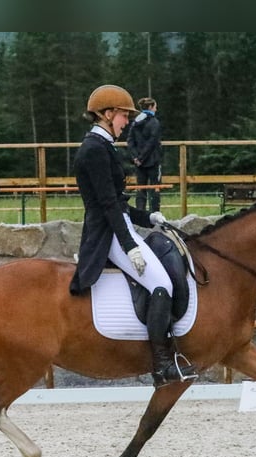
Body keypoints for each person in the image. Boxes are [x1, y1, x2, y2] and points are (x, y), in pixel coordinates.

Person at [69, 84, 197, 388]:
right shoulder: (94, 150)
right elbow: (108, 206)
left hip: (117, 225)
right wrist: (130, 247)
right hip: (107, 235)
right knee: (161, 284)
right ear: (107, 114)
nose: (127, 122)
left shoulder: (104, 146)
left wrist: (148, 217)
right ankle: (161, 364)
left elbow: (119, 203)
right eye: (124, 116)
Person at [127, 96, 163, 212]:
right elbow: (152, 142)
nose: (156, 109)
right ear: (151, 107)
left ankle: (140, 214)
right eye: (155, 107)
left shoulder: (135, 123)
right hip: (152, 161)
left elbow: (130, 141)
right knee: (155, 189)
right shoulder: (154, 122)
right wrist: (142, 157)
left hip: (139, 163)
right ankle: (155, 214)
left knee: (140, 189)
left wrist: (136, 157)